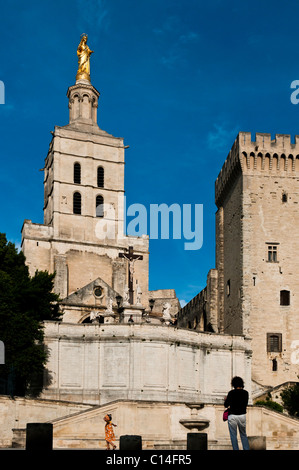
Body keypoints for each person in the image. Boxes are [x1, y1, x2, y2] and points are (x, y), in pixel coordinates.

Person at [224, 376, 250, 450]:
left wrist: (226, 399)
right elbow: (245, 403)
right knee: (243, 434)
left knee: (233, 435)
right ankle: (246, 449)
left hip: (232, 415)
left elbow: (226, 405)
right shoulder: (246, 393)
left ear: (233, 384)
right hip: (242, 415)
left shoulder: (231, 393)